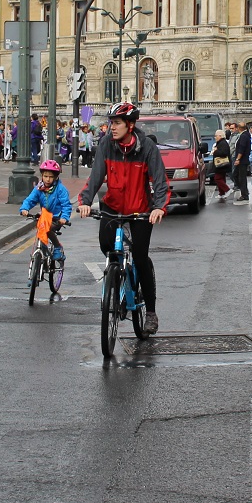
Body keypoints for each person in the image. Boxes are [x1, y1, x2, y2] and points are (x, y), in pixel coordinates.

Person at [79, 102, 170, 335]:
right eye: (111, 123)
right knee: (106, 246)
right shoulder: (106, 145)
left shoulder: (147, 147)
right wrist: (85, 201)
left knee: (140, 257)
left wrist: (159, 207)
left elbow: (160, 181)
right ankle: (117, 277)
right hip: (112, 206)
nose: (112, 127)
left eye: (117, 123)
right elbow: (95, 176)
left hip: (140, 209)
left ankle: (150, 312)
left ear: (130, 125)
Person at [19, 159, 72, 276]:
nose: (48, 179)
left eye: (51, 177)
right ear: (42, 176)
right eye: (45, 176)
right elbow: (30, 199)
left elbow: (66, 205)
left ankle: (57, 247)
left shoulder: (61, 189)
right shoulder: (39, 188)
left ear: (56, 177)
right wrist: (24, 209)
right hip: (44, 216)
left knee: (48, 229)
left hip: (56, 218)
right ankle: (39, 257)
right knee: (41, 227)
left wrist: (64, 217)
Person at [230, 123, 252, 203]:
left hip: (242, 160)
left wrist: (238, 159)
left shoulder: (244, 136)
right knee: (235, 174)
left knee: (241, 177)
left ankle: (244, 194)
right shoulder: (244, 135)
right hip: (242, 159)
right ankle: (244, 191)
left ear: (239, 128)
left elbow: (241, 148)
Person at [211, 129, 232, 201]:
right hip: (221, 164)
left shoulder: (223, 143)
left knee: (217, 178)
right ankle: (221, 193)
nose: (215, 137)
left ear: (220, 136)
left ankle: (227, 189)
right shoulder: (221, 143)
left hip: (221, 164)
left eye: (216, 136)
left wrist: (215, 152)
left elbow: (224, 153)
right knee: (222, 178)